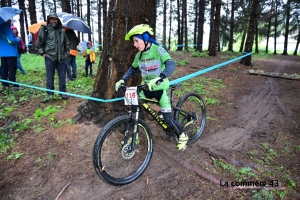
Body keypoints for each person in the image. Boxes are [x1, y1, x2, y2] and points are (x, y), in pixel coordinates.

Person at [115, 24, 189, 151]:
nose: (135, 45)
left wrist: (160, 76)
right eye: (134, 42)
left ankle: (182, 136)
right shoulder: (139, 55)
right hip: (147, 89)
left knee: (167, 119)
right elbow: (132, 69)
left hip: (160, 89)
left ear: (145, 38)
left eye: (136, 41)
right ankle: (135, 136)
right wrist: (122, 79)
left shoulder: (158, 49)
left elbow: (171, 64)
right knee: (134, 107)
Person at [36, 13, 70, 100]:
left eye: (55, 19)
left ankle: (62, 93)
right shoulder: (44, 29)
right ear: (49, 20)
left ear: (58, 20)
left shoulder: (62, 31)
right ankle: (50, 94)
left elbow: (67, 44)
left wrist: (66, 54)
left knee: (62, 76)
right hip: (50, 57)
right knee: (50, 76)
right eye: (51, 19)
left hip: (61, 58)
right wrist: (43, 53)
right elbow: (39, 44)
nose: (53, 21)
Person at [0, 19, 20, 91]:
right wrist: (18, 39)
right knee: (12, 69)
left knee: (4, 69)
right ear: (7, 21)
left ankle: (4, 85)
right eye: (10, 21)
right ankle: (14, 85)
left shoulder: (0, 28)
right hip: (11, 53)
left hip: (2, 53)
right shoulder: (7, 28)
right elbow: (11, 40)